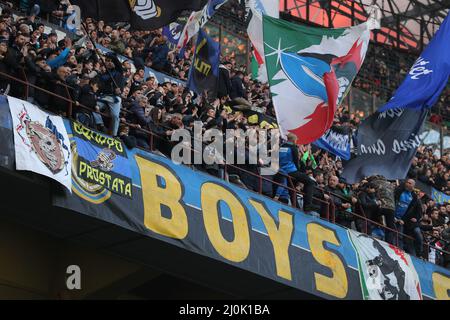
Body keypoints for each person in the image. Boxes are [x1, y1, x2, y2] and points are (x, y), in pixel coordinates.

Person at [277, 133, 317, 212]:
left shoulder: (281, 147)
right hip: (291, 171)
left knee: (292, 188)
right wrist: (299, 172)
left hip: (282, 170)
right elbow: (296, 161)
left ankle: (297, 207)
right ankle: (308, 205)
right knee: (310, 182)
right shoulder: (293, 147)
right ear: (294, 140)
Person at [394, 179, 424, 257]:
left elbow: (418, 212)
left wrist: (414, 218)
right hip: (393, 216)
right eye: (407, 182)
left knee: (400, 236)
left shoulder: (414, 197)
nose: (407, 184)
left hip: (403, 221)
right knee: (391, 232)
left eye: (410, 183)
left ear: (413, 186)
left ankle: (399, 252)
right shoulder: (399, 190)